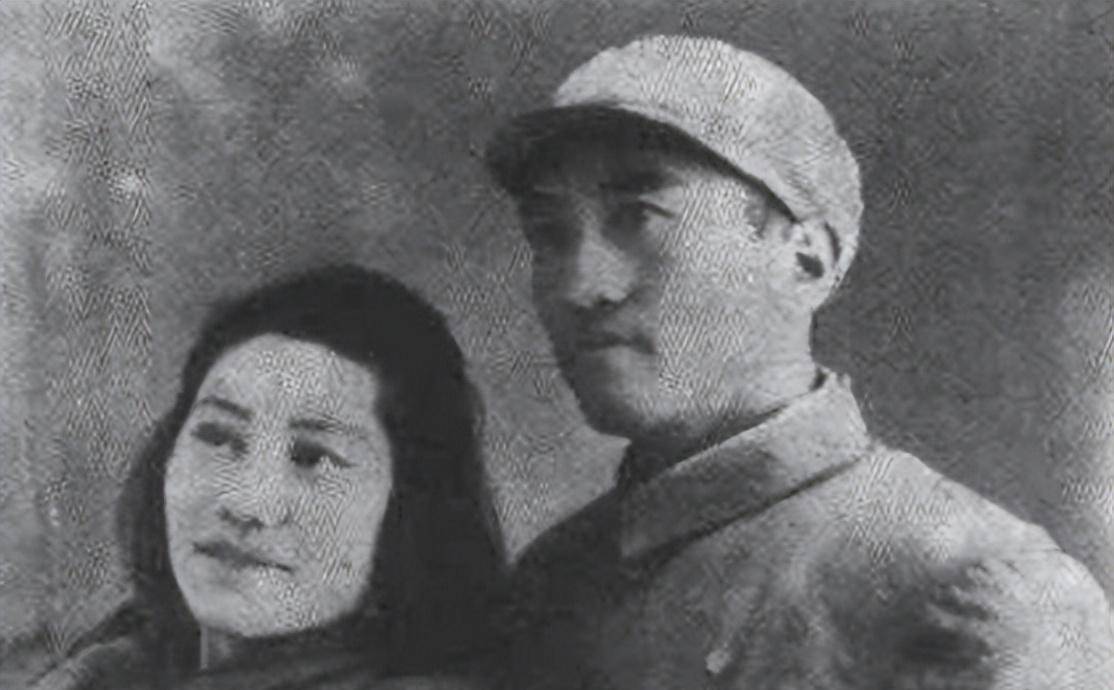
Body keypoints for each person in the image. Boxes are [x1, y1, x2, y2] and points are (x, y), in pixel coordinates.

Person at [484, 35, 1114, 689]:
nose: (579, 285)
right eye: (549, 234)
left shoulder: (976, 587)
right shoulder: (550, 585)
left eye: (638, 216)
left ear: (806, 260)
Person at [30, 265, 506, 690]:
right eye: (218, 436)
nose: (246, 503)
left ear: (410, 507)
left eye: (312, 458)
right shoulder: (104, 673)